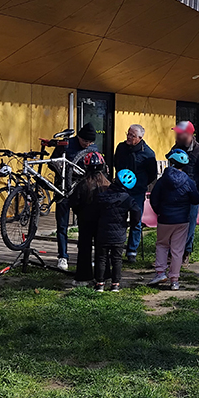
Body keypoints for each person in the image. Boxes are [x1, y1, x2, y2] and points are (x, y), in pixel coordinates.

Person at [149, 149, 199, 290]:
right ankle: (174, 280)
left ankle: (160, 273)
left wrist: (159, 211)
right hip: (182, 220)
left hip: (165, 219)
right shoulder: (188, 181)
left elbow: (153, 198)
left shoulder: (162, 180)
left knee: (162, 245)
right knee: (178, 250)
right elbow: (196, 199)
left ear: (171, 162)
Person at [51, 122, 99, 272]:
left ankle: (84, 256)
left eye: (90, 142)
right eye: (85, 141)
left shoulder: (93, 148)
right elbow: (52, 162)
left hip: (83, 191)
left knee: (86, 224)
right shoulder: (65, 144)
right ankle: (63, 256)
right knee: (62, 224)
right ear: (78, 137)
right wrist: (62, 170)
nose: (87, 145)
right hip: (64, 188)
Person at [113, 124, 158, 263]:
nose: (128, 137)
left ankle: (132, 250)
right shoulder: (121, 148)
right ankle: (116, 248)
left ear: (140, 138)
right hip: (120, 189)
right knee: (117, 219)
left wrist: (140, 183)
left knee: (136, 221)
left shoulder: (148, 154)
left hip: (137, 191)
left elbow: (152, 174)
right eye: (128, 133)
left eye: (132, 135)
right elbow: (116, 163)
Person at [91, 169, 141, 292]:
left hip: (102, 232)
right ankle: (115, 284)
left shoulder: (101, 196)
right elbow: (137, 212)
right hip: (119, 233)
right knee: (117, 259)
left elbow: (94, 212)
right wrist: (132, 224)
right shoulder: (128, 199)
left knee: (101, 258)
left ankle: (100, 283)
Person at [172, 121, 199, 263]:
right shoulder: (176, 147)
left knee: (190, 224)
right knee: (175, 223)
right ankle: (174, 251)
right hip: (175, 195)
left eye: (179, 132)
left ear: (188, 134)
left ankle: (186, 252)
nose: (176, 134)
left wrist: (198, 196)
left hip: (191, 195)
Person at [67, 151, 109, 287]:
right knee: (102, 250)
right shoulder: (107, 184)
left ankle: (83, 277)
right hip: (102, 221)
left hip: (85, 221)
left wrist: (78, 211)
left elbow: (73, 202)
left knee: (84, 248)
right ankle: (103, 276)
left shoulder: (83, 184)